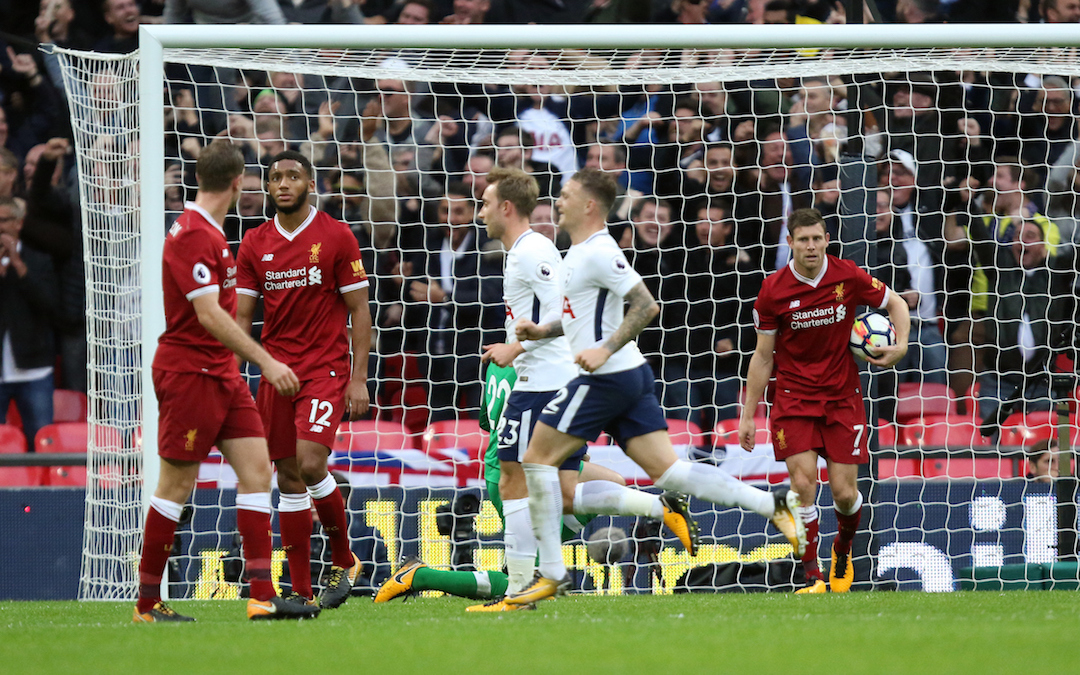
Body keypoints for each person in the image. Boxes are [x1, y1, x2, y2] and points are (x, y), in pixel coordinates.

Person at [503, 169, 806, 607]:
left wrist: (604, 350)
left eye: (566, 195)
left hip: (606, 378)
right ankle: (773, 505)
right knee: (669, 472)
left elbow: (646, 305)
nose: (558, 201)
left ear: (590, 205)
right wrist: (541, 329)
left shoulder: (601, 250)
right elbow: (579, 315)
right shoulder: (579, 251)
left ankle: (550, 574)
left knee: (534, 460)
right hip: (628, 376)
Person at [473, 167, 697, 610]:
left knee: (513, 478)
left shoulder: (531, 251)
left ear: (505, 207)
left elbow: (564, 309)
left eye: (483, 204)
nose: (479, 214)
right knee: (568, 490)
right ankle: (660, 509)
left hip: (542, 382)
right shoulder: (520, 250)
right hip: (551, 377)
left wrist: (515, 348)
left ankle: (519, 589)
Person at [135, 140, 319, 622]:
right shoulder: (194, 234)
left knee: (258, 471)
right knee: (177, 483)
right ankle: (147, 603)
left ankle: (260, 595)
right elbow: (209, 314)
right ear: (239, 183)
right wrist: (267, 362)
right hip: (189, 372)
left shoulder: (210, 232)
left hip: (221, 373)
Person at [739, 208, 911, 594]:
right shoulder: (773, 291)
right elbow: (763, 356)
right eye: (803, 240)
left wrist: (900, 347)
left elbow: (897, 304)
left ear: (827, 239)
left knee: (845, 494)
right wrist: (748, 415)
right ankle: (811, 574)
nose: (811, 246)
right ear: (790, 243)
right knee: (802, 485)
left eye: (817, 238)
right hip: (793, 397)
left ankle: (843, 551)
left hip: (841, 397)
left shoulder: (847, 275)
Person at [235, 150, 371, 609]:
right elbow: (242, 318)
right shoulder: (254, 243)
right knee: (289, 478)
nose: (284, 184)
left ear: (309, 183)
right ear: (268, 187)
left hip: (324, 368)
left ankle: (344, 556)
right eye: (276, 178)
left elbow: (359, 310)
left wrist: (359, 378)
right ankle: (302, 593)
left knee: (312, 463)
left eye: (293, 176)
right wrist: (234, 369)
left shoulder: (336, 236)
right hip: (276, 372)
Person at [0, 197, 61, 449]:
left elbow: (50, 305)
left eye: (3, 221)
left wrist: (18, 266)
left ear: (18, 223)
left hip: (34, 368)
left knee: (42, 442)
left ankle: (46, 489)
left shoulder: (38, 261)